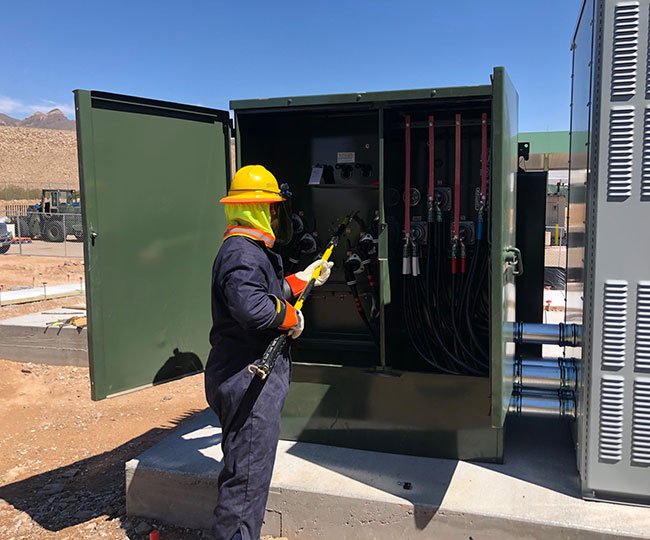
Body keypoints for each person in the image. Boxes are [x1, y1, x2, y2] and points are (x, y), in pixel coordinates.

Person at [204, 165, 333, 540]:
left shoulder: (249, 249)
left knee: (247, 472)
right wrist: (292, 318)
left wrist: (303, 278)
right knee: (246, 483)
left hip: (247, 376)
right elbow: (253, 308)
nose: (278, 216)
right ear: (263, 209)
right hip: (247, 380)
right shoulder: (241, 253)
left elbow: (266, 292)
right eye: (275, 208)